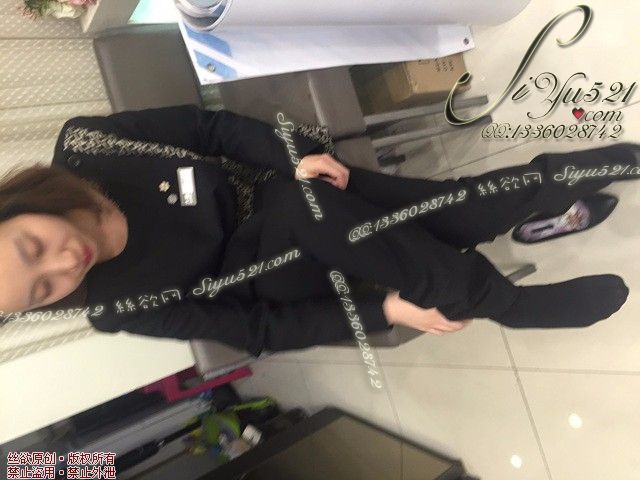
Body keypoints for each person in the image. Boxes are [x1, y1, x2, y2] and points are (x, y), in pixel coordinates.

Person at [0, 105, 636, 356]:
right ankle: (504, 293)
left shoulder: (88, 145)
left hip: (303, 193)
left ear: (14, 207)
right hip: (281, 272)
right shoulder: (116, 307)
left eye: (33, 248)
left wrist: (290, 156)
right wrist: (385, 310)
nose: (64, 265)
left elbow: (206, 129)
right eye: (43, 290)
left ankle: (512, 284)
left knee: (447, 210)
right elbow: (257, 330)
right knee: (302, 207)